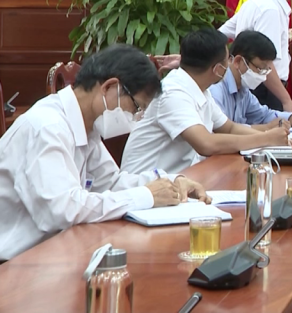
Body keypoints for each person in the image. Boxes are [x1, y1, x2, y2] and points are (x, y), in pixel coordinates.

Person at [0, 45, 210, 262]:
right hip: (14, 264)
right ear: (110, 87)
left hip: (52, 252)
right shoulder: (46, 127)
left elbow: (110, 183)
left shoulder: (87, 127)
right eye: (136, 107)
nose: (135, 117)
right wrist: (146, 196)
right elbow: (62, 211)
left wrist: (169, 182)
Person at [121, 29, 290, 174]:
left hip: (175, 182)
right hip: (144, 186)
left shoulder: (201, 90)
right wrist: (265, 139)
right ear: (218, 69)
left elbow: (230, 128)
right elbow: (206, 144)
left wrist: (272, 137)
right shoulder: (173, 93)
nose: (229, 65)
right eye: (227, 60)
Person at [209, 30, 292, 132]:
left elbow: (265, 115)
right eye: (260, 68)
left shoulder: (243, 91)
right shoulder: (215, 88)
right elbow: (221, 131)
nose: (263, 76)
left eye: (266, 70)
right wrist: (267, 128)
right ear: (238, 61)